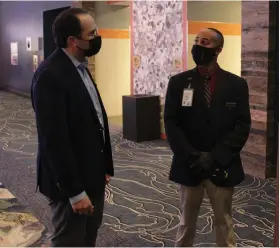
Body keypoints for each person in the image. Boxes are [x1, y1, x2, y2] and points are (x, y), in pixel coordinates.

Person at [31, 8, 114, 247]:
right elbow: (54, 140)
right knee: (69, 240)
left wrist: (103, 166)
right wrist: (75, 192)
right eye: (93, 33)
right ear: (73, 41)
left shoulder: (79, 66)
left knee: (88, 237)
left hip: (92, 175)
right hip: (70, 184)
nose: (98, 37)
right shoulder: (50, 74)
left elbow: (95, 119)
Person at [164, 28, 251, 247]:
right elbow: (171, 123)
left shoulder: (236, 85)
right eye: (196, 41)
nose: (199, 47)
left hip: (222, 165)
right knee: (186, 223)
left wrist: (215, 157)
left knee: (224, 223)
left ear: (219, 49)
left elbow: (241, 125)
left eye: (205, 42)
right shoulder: (179, 82)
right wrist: (191, 156)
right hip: (189, 166)